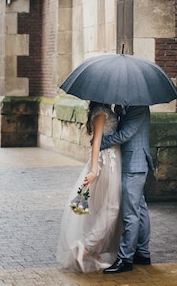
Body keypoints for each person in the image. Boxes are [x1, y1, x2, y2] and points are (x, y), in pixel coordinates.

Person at [57, 102, 123, 272]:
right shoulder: (101, 113)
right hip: (108, 162)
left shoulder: (106, 110)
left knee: (99, 207)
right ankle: (86, 248)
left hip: (110, 159)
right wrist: (94, 170)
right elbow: (97, 141)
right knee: (112, 208)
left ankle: (94, 252)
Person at [100, 105, 154, 274]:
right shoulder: (129, 107)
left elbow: (125, 134)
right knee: (140, 209)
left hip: (134, 164)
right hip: (133, 163)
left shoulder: (139, 108)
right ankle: (142, 253)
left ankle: (125, 258)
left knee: (130, 213)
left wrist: (100, 142)